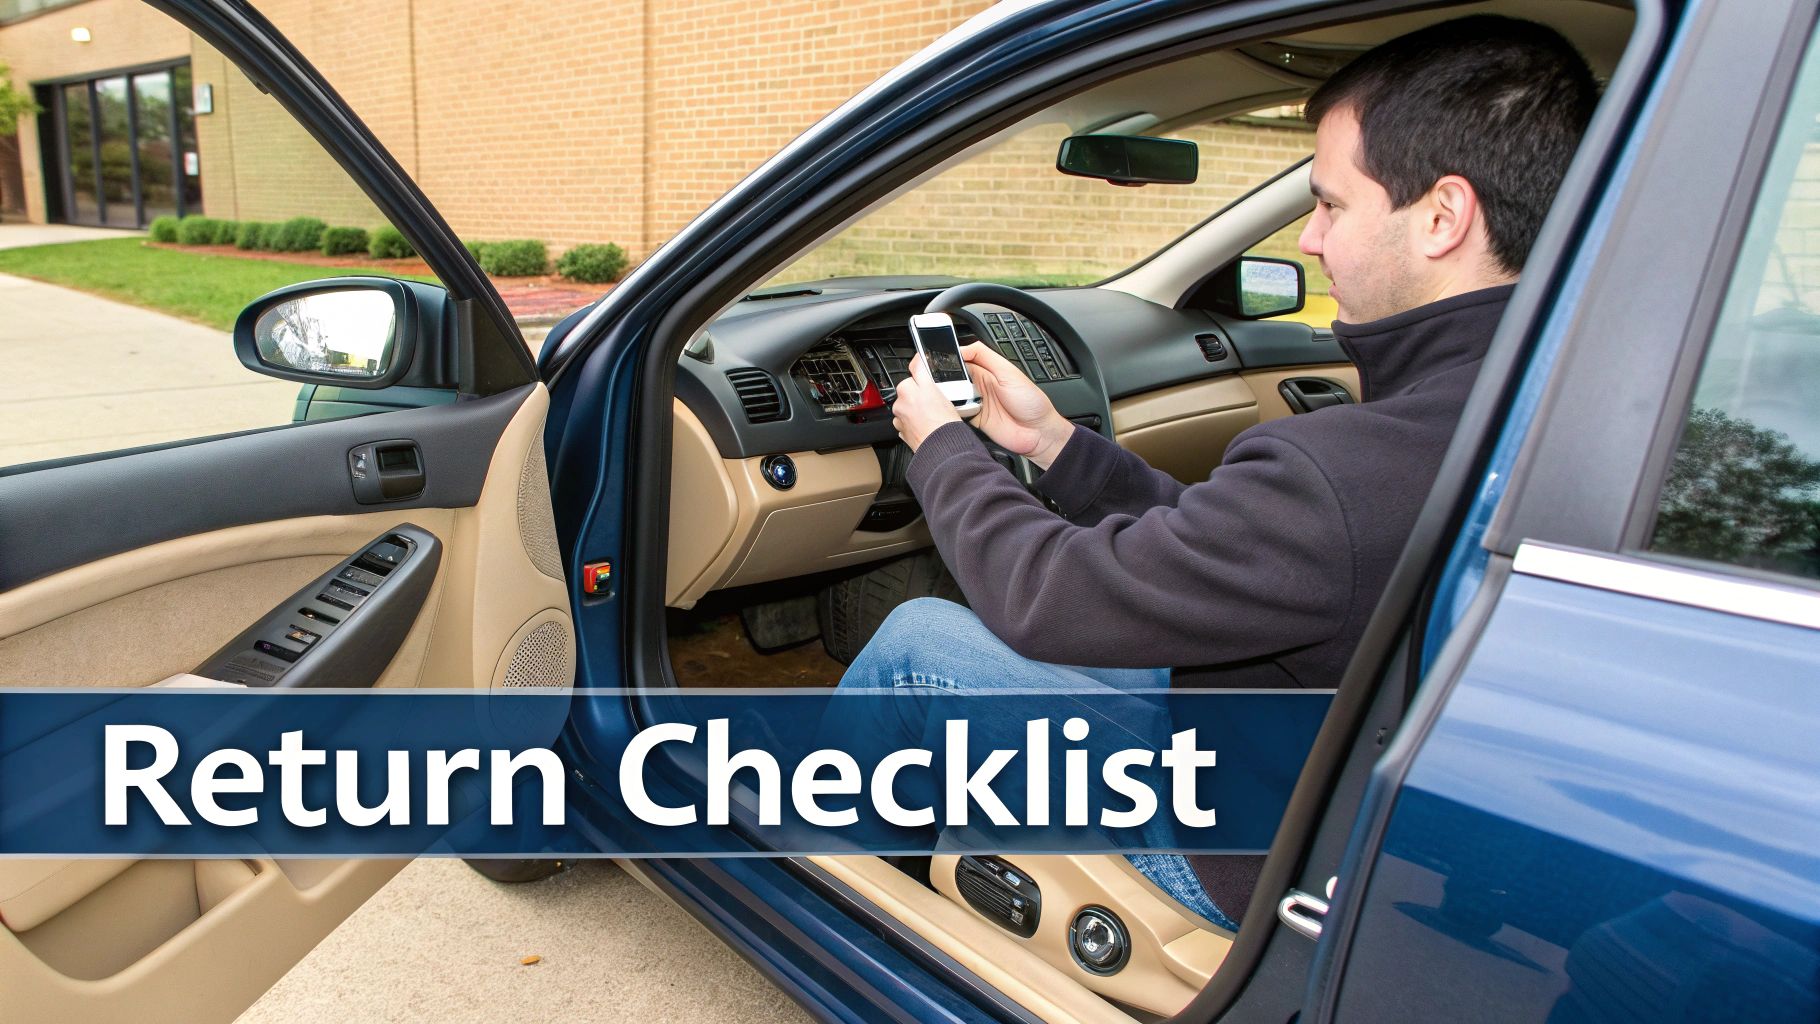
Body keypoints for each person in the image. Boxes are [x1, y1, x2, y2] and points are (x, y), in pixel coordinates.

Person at [832, 15, 1599, 927]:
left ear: (1443, 217)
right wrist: (1055, 448)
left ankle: (839, 901)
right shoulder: (1544, 392)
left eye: (1330, 205)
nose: (1308, 241)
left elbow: (1047, 594)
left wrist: (943, 448)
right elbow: (1250, 549)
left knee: (922, 640)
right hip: (1349, 784)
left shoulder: (1352, 468)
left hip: (1246, 845)